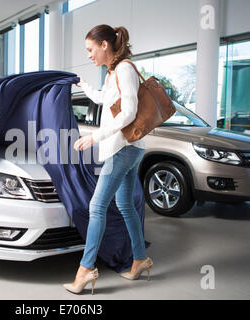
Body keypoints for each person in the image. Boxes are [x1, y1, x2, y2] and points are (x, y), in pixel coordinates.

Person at [63, 25, 153, 294]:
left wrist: (95, 137)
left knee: (97, 206)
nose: (89, 55)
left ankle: (86, 269)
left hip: (122, 148)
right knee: (125, 204)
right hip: (129, 148)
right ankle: (140, 259)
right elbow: (104, 100)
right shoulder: (113, 72)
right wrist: (83, 84)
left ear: (104, 45)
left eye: (91, 49)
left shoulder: (124, 69)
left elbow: (128, 113)